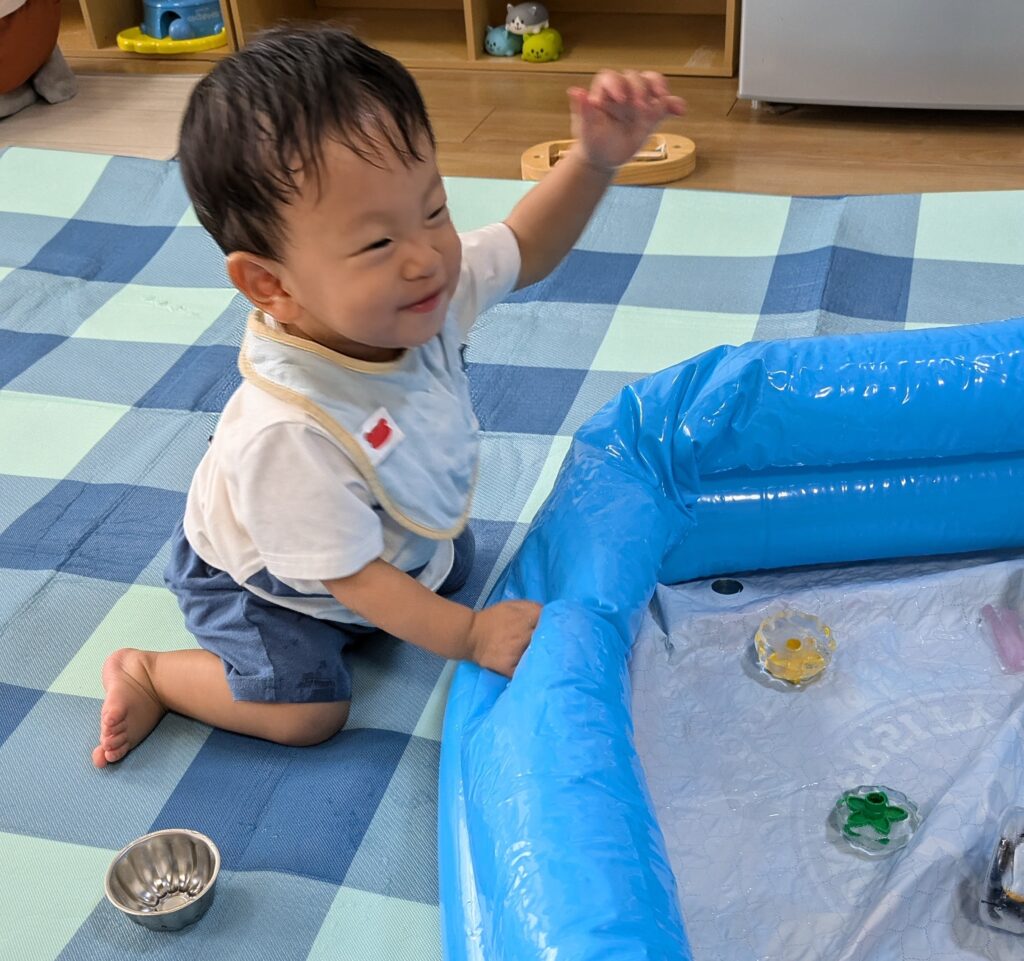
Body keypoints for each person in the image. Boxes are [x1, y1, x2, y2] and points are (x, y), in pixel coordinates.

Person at [92, 25, 685, 767]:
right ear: (270, 284)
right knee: (309, 710)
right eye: (377, 243)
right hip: (272, 583)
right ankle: (151, 670)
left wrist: (595, 161)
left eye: (433, 209)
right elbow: (359, 580)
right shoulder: (288, 434)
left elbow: (527, 244)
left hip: (362, 530)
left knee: (455, 564)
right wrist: (468, 637)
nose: (427, 256)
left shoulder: (414, 289)